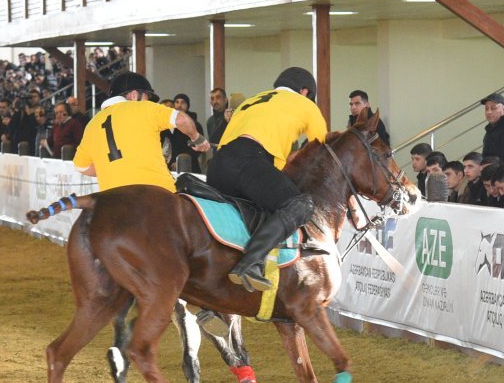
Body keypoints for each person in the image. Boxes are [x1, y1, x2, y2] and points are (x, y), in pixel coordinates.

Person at [206, 67, 328, 292]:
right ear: (304, 91)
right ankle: (250, 263)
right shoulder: (306, 104)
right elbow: (322, 148)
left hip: (217, 166)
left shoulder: (253, 100)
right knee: (300, 204)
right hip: (249, 161)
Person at [72, 72, 208, 193]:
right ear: (134, 95)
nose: (147, 101)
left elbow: (80, 166)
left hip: (112, 198)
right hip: (158, 193)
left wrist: (111, 168)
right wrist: (198, 139)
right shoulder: (143, 108)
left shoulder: (92, 124)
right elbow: (181, 120)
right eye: (146, 97)